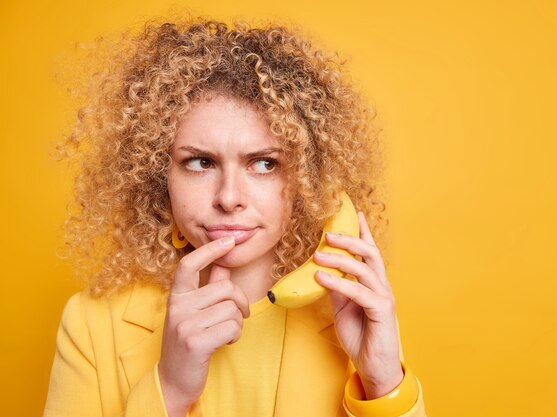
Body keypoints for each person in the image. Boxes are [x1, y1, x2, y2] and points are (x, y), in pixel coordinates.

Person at [44, 18, 427, 417]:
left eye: (263, 163)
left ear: (306, 178)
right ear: (160, 177)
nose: (229, 198)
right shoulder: (91, 323)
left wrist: (383, 383)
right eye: (199, 162)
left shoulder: (352, 319)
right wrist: (170, 390)